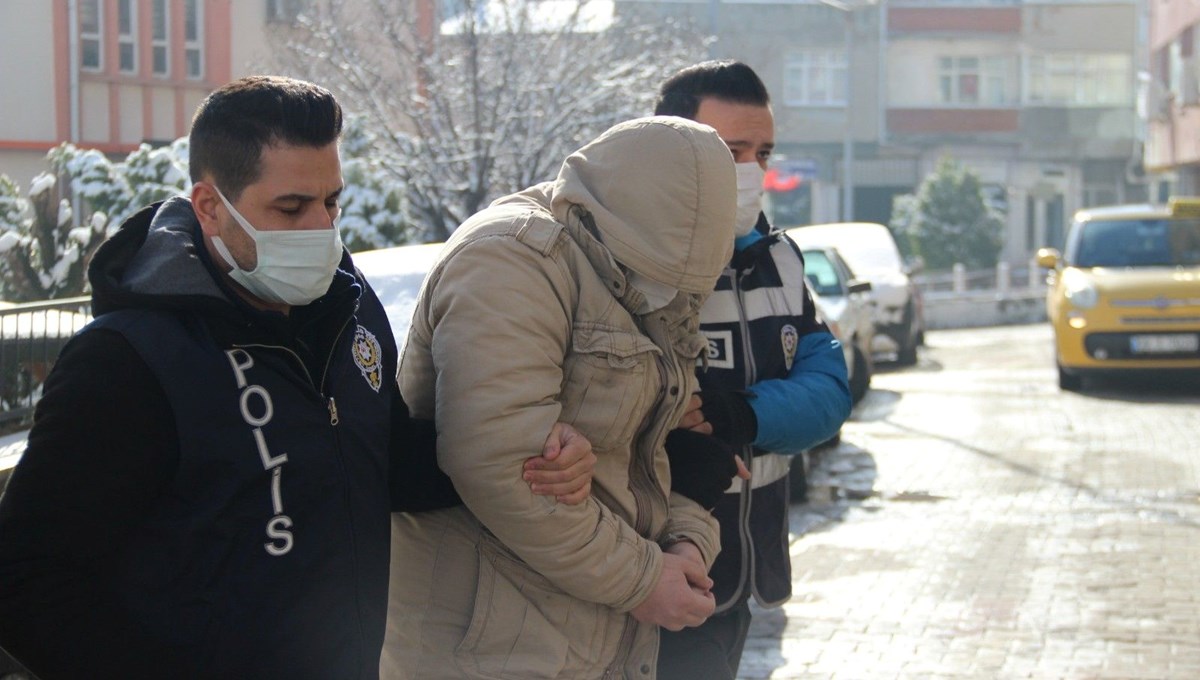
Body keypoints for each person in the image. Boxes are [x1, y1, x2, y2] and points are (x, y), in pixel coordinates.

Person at [0, 75, 594, 680]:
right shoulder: (127, 362)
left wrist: (532, 446)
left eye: (331, 202)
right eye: (290, 208)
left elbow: (379, 460)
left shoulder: (349, 307)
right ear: (209, 207)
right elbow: (29, 580)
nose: (320, 228)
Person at [380, 116, 740, 679]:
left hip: (604, 637)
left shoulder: (666, 268)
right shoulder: (510, 258)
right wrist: (645, 580)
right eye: (653, 276)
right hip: (487, 646)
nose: (665, 297)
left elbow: (674, 439)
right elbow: (500, 464)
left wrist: (688, 544)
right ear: (604, 219)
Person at [654, 60, 853, 679]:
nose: (751, 171)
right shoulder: (639, 261)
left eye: (761, 152)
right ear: (672, 150)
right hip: (657, 572)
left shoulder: (781, 259)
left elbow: (828, 392)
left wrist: (741, 414)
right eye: (729, 151)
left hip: (746, 567)